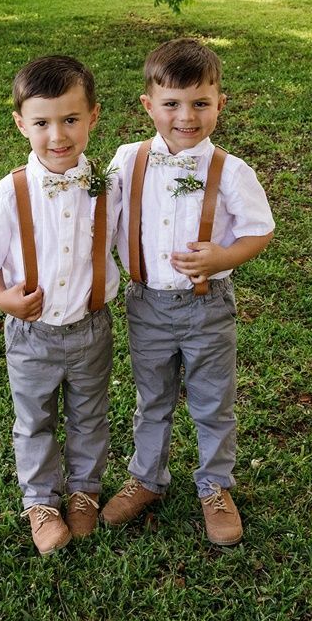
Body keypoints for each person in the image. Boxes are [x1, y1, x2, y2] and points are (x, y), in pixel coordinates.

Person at [100, 38, 274, 545]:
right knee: (151, 396)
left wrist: (222, 258)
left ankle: (215, 485)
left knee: (211, 400)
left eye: (200, 103)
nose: (186, 116)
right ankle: (147, 478)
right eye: (171, 103)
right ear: (148, 105)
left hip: (206, 306)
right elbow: (99, 215)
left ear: (220, 103)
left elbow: (258, 230)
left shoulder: (231, 171)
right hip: (146, 303)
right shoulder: (127, 161)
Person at [0, 55, 119, 555]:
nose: (58, 135)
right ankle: (41, 501)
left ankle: (84, 492)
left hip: (92, 326)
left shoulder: (108, 186)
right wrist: (1, 296)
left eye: (71, 119)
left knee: (90, 415)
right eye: (42, 122)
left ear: (93, 116)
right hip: (32, 334)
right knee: (34, 418)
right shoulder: (8, 194)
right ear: (20, 124)